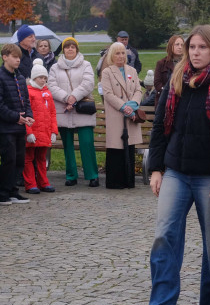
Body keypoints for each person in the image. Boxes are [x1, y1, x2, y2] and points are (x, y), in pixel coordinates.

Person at [130, 24, 210, 305]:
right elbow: (160, 128)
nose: (195, 53)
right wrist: (155, 168)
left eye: (202, 48)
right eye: (192, 47)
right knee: (164, 237)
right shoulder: (176, 81)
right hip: (176, 173)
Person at [48, 37, 98, 188]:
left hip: (82, 108)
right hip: (64, 109)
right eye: (67, 47)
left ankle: (92, 175)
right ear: (63, 50)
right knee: (67, 145)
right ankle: (71, 175)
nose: (70, 49)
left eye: (73, 47)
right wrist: (66, 98)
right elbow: (51, 85)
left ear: (77, 49)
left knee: (87, 143)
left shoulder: (86, 65)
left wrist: (74, 97)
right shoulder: (55, 67)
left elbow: (88, 83)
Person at [0, 43, 33, 205]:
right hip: (6, 127)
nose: (17, 60)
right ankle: (2, 193)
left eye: (19, 57)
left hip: (19, 126)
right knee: (9, 159)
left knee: (19, 159)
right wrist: (15, 117)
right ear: (4, 57)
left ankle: (13, 190)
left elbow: (26, 100)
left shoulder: (20, 78)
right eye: (14, 57)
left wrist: (28, 116)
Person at [101, 41, 143, 189]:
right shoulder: (107, 72)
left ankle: (129, 180)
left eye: (123, 53)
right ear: (112, 55)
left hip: (130, 115)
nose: (120, 56)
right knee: (116, 148)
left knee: (129, 147)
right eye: (117, 53)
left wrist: (133, 105)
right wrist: (124, 107)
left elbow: (138, 90)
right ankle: (115, 182)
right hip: (116, 115)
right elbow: (107, 94)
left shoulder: (132, 70)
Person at [24, 61, 58, 194]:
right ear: (33, 78)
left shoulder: (47, 93)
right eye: (40, 78)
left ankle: (43, 182)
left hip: (44, 132)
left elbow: (52, 113)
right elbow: (27, 113)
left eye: (45, 78)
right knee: (28, 158)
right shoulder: (29, 92)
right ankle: (30, 183)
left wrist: (53, 131)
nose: (43, 80)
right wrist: (28, 132)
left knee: (42, 158)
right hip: (33, 131)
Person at [153, 35, 184, 102]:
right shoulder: (161, 63)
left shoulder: (188, 64)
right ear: (171, 46)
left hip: (182, 99)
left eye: (182, 45)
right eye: (177, 44)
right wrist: (170, 91)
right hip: (164, 99)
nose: (180, 47)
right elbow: (157, 83)